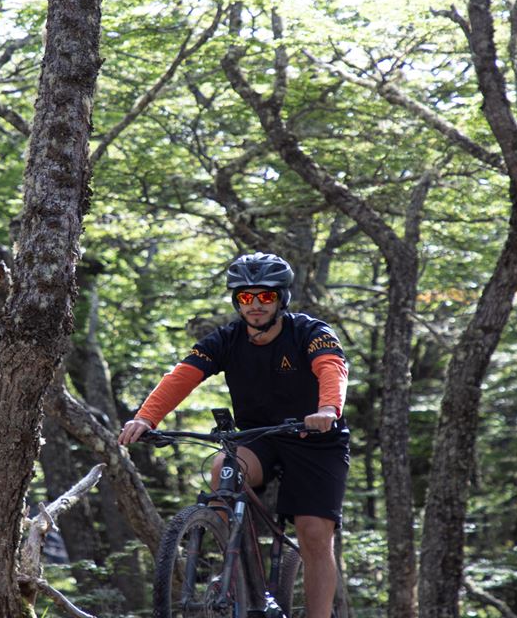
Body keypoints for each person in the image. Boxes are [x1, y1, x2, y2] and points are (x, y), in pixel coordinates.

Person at [118, 252, 348, 618]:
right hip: (261, 437)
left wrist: (326, 412)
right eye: (245, 297)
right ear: (236, 301)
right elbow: (182, 375)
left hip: (315, 440)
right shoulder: (226, 339)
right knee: (225, 466)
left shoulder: (310, 332)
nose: (255, 305)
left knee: (314, 534)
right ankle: (234, 570)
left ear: (281, 298)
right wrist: (146, 418)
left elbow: (331, 370)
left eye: (265, 296)